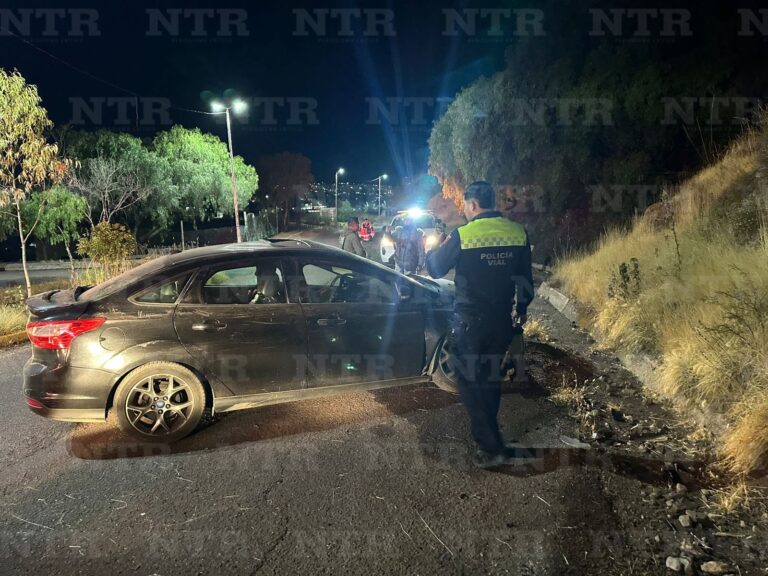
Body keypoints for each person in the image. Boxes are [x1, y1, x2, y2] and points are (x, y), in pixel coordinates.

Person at [426, 181, 534, 469]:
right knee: (489, 378)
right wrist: (522, 309)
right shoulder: (517, 232)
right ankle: (490, 438)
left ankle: (491, 446)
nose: (465, 210)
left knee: (466, 379)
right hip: (501, 321)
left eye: (465, 205)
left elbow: (434, 268)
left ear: (473, 204)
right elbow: (525, 279)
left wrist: (433, 246)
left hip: (470, 323)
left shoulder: (463, 235)